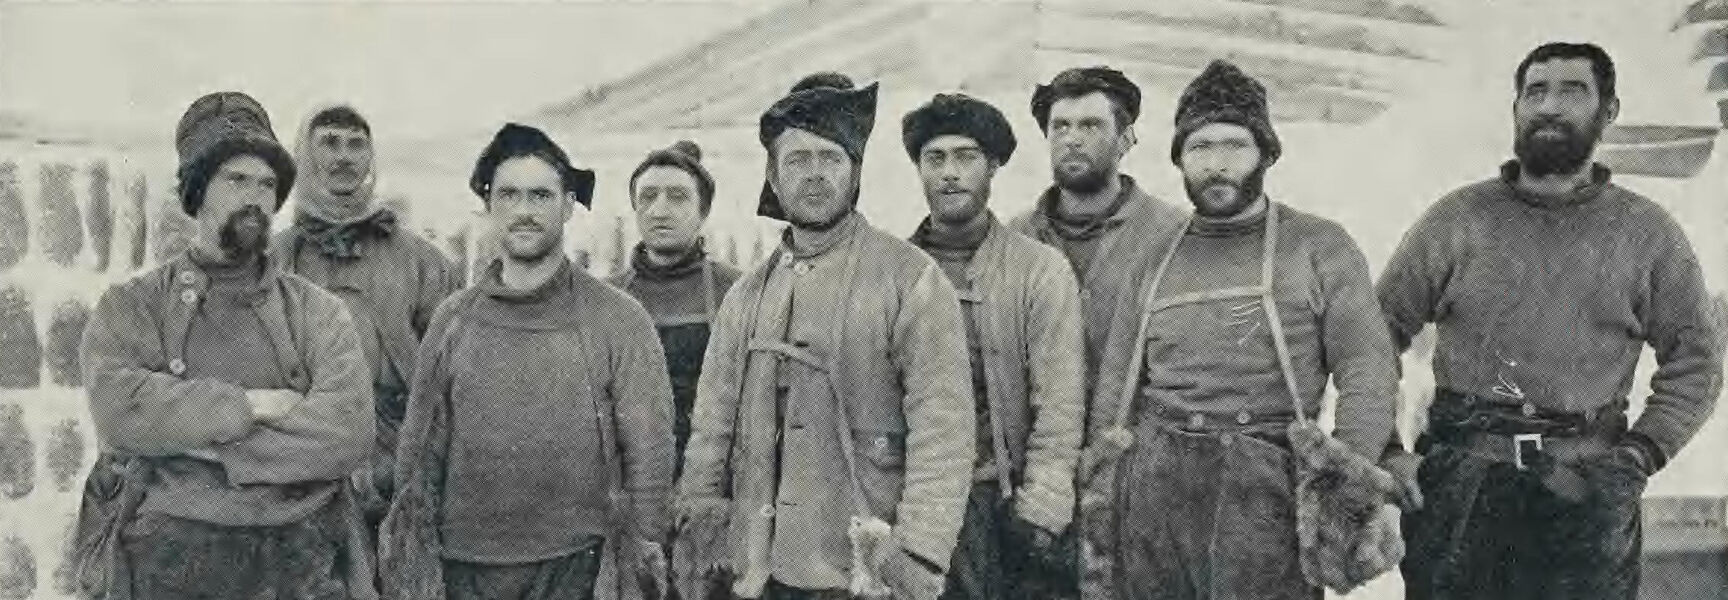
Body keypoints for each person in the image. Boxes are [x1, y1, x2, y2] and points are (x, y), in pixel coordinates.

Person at [1381, 42, 1724, 599]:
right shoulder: (1458, 221)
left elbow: (1696, 362)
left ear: (1608, 111)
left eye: (1572, 91)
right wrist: (1389, 451)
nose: (1549, 105)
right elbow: (1371, 339)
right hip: (1461, 489)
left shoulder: (1647, 235)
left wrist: (1638, 456)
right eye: (1535, 91)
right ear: (1516, 107)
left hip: (1586, 493)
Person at [1089, 59, 1401, 600]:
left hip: (1266, 482)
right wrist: (1101, 491)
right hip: (1156, 484)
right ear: (1180, 159)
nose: (1216, 165)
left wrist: (1342, 483)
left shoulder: (1318, 247)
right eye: (1200, 148)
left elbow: (1367, 370)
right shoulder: (1152, 255)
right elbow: (1118, 383)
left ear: (1266, 153)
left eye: (1233, 146)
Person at [675, 73, 975, 600]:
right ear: (772, 174)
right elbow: (712, 425)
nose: (814, 175)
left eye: (830, 158)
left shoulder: (910, 279)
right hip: (761, 567)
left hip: (865, 568)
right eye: (797, 160)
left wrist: (918, 553)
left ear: (855, 170)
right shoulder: (746, 296)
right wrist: (700, 522)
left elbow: (943, 430)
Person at [79, 91, 374, 599]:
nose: (256, 196)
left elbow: (347, 431)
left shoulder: (319, 313)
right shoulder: (134, 306)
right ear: (198, 192)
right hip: (171, 560)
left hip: (300, 557)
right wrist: (248, 406)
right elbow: (118, 414)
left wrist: (186, 439)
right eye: (236, 180)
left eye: (266, 184)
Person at [381, 123, 675, 600]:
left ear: (567, 205)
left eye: (540, 196)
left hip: (578, 565)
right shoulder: (454, 320)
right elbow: (417, 457)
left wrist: (641, 558)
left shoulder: (617, 319)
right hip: (466, 568)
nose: (523, 211)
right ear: (489, 206)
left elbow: (649, 452)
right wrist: (414, 565)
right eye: (509, 195)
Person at [1010, 65, 1189, 599]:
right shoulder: (1013, 242)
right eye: (1059, 126)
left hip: (1143, 494)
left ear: (1126, 137)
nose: (1071, 139)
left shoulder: (1176, 235)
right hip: (1038, 493)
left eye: (1090, 125)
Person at [900, 92, 1086, 600]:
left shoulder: (1039, 270)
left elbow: (1060, 401)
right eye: (934, 159)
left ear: (994, 165)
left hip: (1002, 506)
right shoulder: (893, 272)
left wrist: (1041, 506)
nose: (950, 173)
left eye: (966, 157)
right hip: (912, 504)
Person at [273, 104, 459, 540]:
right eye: (329, 143)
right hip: (301, 454)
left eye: (357, 145)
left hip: (399, 453)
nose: (344, 157)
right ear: (302, 153)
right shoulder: (272, 261)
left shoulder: (423, 262)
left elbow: (453, 373)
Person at [607, 139, 742, 484]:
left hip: (713, 483)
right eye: (648, 197)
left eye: (678, 197)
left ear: (703, 212)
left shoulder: (738, 292)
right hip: (625, 484)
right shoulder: (604, 297)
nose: (659, 210)